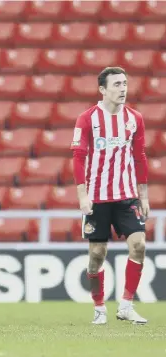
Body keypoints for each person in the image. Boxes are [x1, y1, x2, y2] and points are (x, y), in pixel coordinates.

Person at [71, 67, 149, 325]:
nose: (123, 88)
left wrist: (143, 196)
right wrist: (82, 196)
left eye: (125, 83)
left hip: (126, 196)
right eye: (116, 84)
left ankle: (126, 305)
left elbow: (140, 157)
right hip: (97, 197)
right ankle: (99, 306)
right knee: (97, 255)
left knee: (139, 245)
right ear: (102, 89)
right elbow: (78, 157)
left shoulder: (134, 118)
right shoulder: (87, 118)